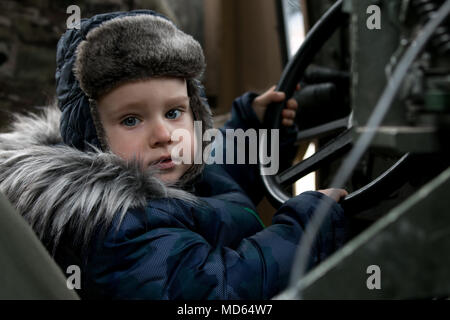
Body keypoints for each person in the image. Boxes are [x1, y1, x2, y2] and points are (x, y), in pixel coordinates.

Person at [0, 10, 348, 299]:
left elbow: (216, 177)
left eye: (174, 113)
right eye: (131, 120)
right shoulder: (118, 225)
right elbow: (216, 291)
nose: (164, 136)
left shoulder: (172, 170)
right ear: (91, 135)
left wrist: (253, 128)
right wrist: (306, 230)